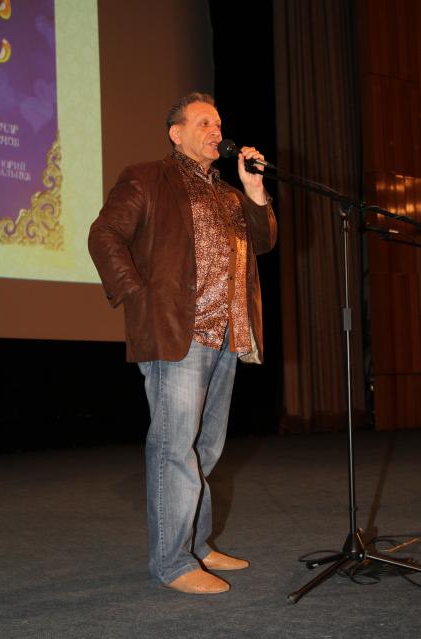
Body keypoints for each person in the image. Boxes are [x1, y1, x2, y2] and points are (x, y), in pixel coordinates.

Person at [88, 92, 277, 595]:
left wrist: (254, 189)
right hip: (179, 331)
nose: (216, 131)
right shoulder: (147, 177)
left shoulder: (229, 194)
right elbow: (104, 235)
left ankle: (196, 544)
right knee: (174, 448)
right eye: (204, 123)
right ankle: (172, 562)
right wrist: (138, 296)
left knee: (204, 450)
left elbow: (263, 241)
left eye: (219, 123)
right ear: (176, 134)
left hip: (228, 332)